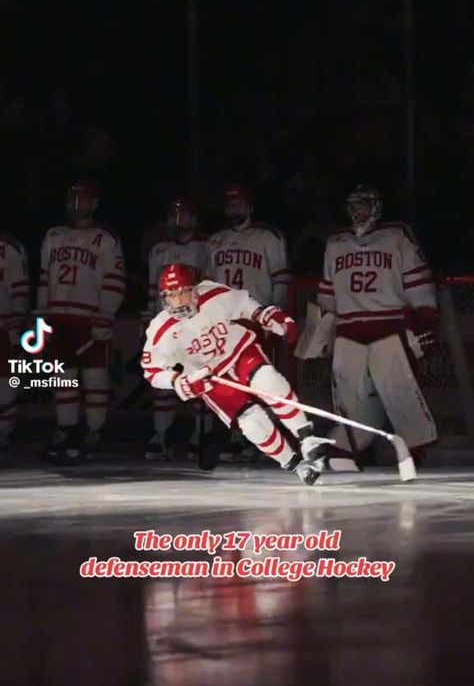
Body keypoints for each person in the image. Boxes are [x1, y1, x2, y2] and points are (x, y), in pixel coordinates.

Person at [141, 263, 331, 485]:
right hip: (212, 378)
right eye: (172, 295)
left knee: (270, 383)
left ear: (194, 289)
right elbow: (152, 371)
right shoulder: (160, 330)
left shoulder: (211, 293)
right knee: (253, 424)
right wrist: (178, 382)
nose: (179, 300)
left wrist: (268, 317)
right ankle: (295, 464)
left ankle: (306, 438)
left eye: (183, 292)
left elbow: (244, 306)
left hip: (239, 352)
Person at [315, 184, 438, 469]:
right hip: (348, 327)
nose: (357, 210)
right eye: (353, 204)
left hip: (390, 325)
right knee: (350, 399)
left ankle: (412, 449)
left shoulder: (397, 235)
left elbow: (417, 282)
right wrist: (322, 331)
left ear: (376, 206)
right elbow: (327, 295)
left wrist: (426, 316)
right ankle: (349, 447)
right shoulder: (335, 243)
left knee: (400, 392)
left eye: (363, 204)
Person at [37, 179, 125, 462]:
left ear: (95, 203)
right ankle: (66, 429)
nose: (78, 206)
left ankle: (94, 431)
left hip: (89, 318)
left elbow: (115, 279)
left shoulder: (105, 238)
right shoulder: (53, 236)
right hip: (59, 317)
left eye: (83, 200)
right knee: (63, 378)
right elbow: (43, 280)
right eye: (73, 199)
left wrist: (105, 314)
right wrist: (41, 319)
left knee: (95, 377)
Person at [207, 183, 291, 460]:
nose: (234, 209)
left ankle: (264, 438)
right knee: (229, 383)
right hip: (224, 321)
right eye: (230, 204)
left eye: (239, 203)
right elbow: (207, 286)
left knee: (260, 380)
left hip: (255, 318)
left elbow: (280, 279)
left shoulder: (268, 237)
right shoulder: (214, 241)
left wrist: (274, 315)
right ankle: (238, 435)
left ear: (250, 206)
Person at [144, 198, 210, 459]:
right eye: (173, 215)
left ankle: (199, 433)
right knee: (164, 380)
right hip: (166, 324)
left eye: (182, 215)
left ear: (194, 219)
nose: (177, 221)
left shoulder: (207, 246)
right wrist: (150, 323)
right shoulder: (158, 250)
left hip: (194, 323)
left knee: (198, 378)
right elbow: (152, 290)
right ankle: (161, 433)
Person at [0, 233, 29, 458]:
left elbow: (20, 291)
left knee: (6, 386)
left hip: (4, 327)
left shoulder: (9, 247)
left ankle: (3, 436)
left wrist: (16, 325)